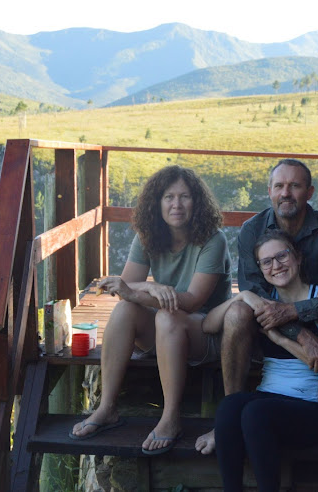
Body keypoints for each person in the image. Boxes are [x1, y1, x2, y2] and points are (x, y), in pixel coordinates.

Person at [195, 158, 318, 463]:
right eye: (280, 186)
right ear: (269, 191)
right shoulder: (252, 230)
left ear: (309, 192)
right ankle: (230, 416)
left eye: (295, 186)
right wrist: (302, 336)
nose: (286, 193)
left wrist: (298, 311)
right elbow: (253, 294)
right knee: (237, 313)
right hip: (266, 325)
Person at [70, 165, 232, 456]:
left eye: (185, 196)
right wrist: (150, 288)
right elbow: (126, 287)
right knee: (124, 312)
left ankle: (171, 418)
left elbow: (193, 301)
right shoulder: (148, 235)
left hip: (205, 331)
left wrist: (140, 291)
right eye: (168, 197)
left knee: (168, 316)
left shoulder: (213, 240)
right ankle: (107, 408)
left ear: (197, 202)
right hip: (165, 329)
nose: (176, 204)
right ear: (157, 203)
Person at [205, 229, 318, 491]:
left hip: (313, 408)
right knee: (229, 406)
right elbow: (209, 324)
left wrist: (282, 340)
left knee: (255, 413)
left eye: (282, 256)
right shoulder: (264, 302)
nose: (276, 266)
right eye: (267, 262)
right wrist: (243, 296)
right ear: (260, 268)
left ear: (298, 257)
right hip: (270, 398)